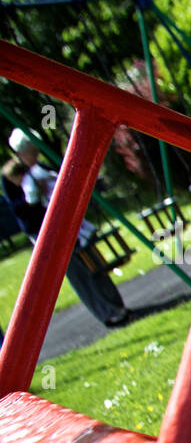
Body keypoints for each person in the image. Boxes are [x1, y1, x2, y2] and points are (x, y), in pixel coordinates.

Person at [6, 129, 130, 327]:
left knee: (94, 264)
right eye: (31, 150)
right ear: (21, 153)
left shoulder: (41, 167)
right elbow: (18, 210)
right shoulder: (13, 176)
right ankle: (107, 313)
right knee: (80, 273)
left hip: (71, 225)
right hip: (48, 234)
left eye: (35, 149)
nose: (35, 153)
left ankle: (117, 305)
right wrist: (34, 197)